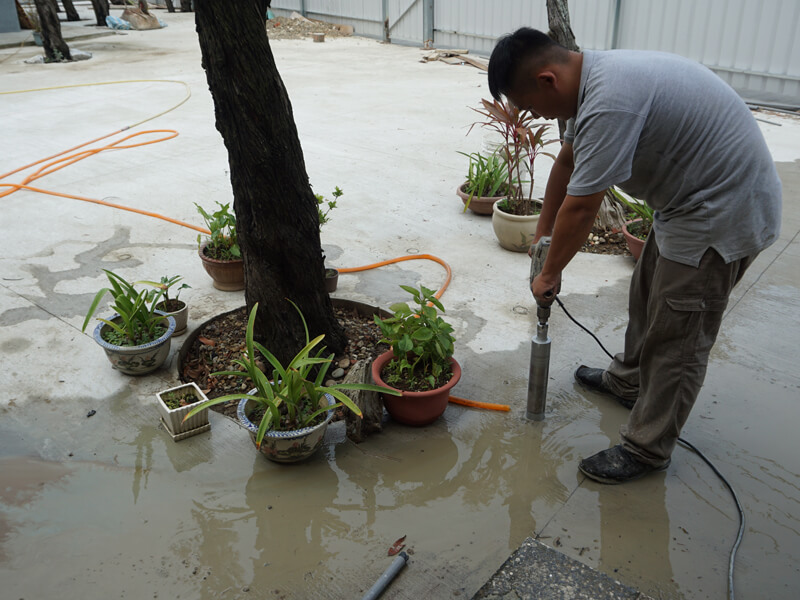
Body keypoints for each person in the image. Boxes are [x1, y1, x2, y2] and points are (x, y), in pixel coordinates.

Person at [488, 28, 782, 484]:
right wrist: (541, 234)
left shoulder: (610, 101)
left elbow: (584, 205)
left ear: (548, 79)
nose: (534, 117)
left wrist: (549, 273)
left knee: (678, 336)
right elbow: (566, 164)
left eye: (529, 106)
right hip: (687, 200)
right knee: (647, 295)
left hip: (723, 210)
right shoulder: (588, 83)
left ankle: (647, 448)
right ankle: (628, 382)